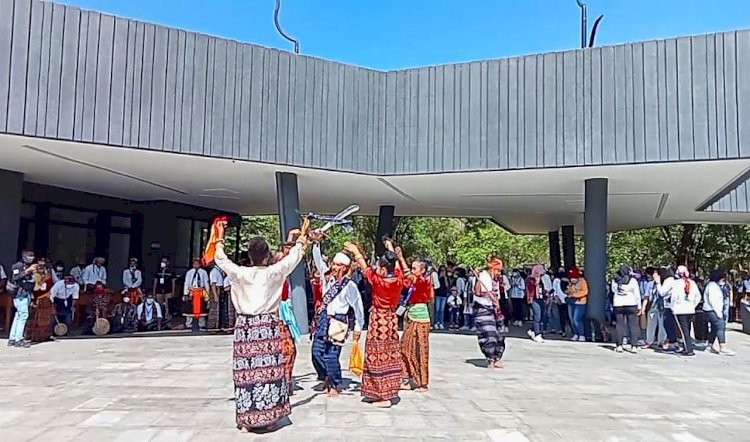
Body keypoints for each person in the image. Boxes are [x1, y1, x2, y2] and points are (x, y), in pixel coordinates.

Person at [212, 219, 311, 432]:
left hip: (245, 328)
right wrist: (302, 237)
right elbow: (294, 257)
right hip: (267, 326)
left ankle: (247, 419)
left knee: (245, 372)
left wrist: (219, 237)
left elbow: (220, 258)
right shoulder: (274, 272)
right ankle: (267, 419)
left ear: (249, 256)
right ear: (266, 256)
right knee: (267, 373)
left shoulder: (239, 273)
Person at [311, 239, 365, 397]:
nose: (333, 267)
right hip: (323, 319)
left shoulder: (350, 286)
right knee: (316, 352)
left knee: (332, 354)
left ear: (345, 268)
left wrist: (357, 328)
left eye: (337, 265)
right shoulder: (326, 277)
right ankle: (326, 376)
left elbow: (358, 308)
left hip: (339, 321)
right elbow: (317, 259)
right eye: (333, 264)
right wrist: (316, 243)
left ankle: (334, 384)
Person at [399, 255, 433, 392]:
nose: (412, 271)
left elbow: (407, 274)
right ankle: (406, 378)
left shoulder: (423, 281)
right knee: (404, 348)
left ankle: (423, 382)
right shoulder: (413, 283)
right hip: (411, 316)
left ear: (422, 270)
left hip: (421, 319)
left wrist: (401, 257)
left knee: (421, 350)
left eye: (415, 268)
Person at [473, 256, 507, 368]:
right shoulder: (482, 276)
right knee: (488, 334)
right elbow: (477, 292)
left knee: (500, 334)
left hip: (495, 308)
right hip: (483, 308)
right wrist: (478, 279)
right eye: (497, 270)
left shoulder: (498, 280)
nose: (499, 273)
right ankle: (490, 358)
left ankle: (498, 357)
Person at [7, 250, 38, 348]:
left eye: (32, 255)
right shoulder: (17, 266)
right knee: (23, 315)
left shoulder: (28, 266)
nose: (31, 257)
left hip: (27, 293)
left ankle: (12, 338)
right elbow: (15, 277)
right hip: (19, 294)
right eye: (29, 255)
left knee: (18, 315)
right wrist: (28, 270)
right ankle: (18, 339)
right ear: (23, 255)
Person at [611, 265, 642, 353]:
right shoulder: (632, 280)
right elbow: (637, 294)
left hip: (618, 304)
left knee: (619, 325)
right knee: (632, 325)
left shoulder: (615, 280)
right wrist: (639, 306)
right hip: (631, 304)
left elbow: (613, 291)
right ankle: (634, 346)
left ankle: (619, 345)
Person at [703, 270, 735, 356]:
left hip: (711, 310)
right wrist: (718, 313)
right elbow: (713, 301)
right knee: (721, 326)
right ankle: (722, 347)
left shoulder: (712, 285)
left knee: (714, 328)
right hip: (713, 310)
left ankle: (710, 345)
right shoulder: (713, 286)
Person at [671, 265, 701, 357]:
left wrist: (673, 308)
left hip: (680, 310)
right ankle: (686, 347)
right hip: (690, 310)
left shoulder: (676, 283)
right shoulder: (692, 283)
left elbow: (673, 297)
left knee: (684, 331)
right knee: (687, 329)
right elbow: (698, 297)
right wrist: (693, 305)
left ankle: (689, 349)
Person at [26, 257, 55, 343]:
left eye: (43, 265)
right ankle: (35, 337)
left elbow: (51, 285)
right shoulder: (34, 275)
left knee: (46, 319)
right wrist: (43, 280)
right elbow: (35, 288)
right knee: (36, 319)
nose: (41, 267)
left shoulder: (48, 274)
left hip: (46, 298)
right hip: (37, 299)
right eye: (40, 265)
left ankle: (45, 336)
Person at [526, 264, 551, 343]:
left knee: (542, 315)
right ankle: (537, 334)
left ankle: (532, 330)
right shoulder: (529, 279)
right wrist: (536, 282)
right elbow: (530, 289)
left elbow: (542, 289)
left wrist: (546, 296)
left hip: (541, 299)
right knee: (537, 315)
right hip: (533, 299)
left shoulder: (541, 280)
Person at [642, 267, 666, 349]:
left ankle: (661, 341)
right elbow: (646, 296)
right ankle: (649, 341)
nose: (654, 276)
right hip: (653, 306)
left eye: (656, 274)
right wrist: (643, 307)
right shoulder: (650, 284)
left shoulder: (664, 284)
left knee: (662, 325)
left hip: (663, 307)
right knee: (651, 325)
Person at [182, 258, 210, 330]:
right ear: (193, 264)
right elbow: (186, 283)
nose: (196, 265)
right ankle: (188, 323)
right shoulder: (189, 272)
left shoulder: (203, 272)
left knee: (202, 307)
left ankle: (202, 323)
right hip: (192, 291)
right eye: (195, 264)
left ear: (200, 264)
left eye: (197, 264)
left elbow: (206, 283)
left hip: (201, 291)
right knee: (189, 308)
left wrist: (208, 293)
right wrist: (185, 293)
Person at [566, 266, 588, 342]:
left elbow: (585, 291)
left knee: (576, 319)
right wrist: (569, 289)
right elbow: (569, 292)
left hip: (580, 303)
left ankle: (581, 335)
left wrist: (575, 295)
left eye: (574, 278)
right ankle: (575, 333)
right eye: (571, 278)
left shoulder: (582, 281)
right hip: (571, 302)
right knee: (571, 319)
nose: (572, 279)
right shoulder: (571, 283)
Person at [207, 264, 229, 332]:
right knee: (214, 310)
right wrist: (215, 295)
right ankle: (212, 327)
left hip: (220, 289)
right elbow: (213, 284)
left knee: (219, 309)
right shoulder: (214, 271)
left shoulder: (221, 271)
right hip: (216, 289)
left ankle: (218, 325)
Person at [552, 269, 568, 337]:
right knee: (561, 316)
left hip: (568, 300)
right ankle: (562, 330)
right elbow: (554, 290)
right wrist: (556, 297)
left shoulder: (569, 280)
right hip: (560, 300)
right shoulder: (556, 280)